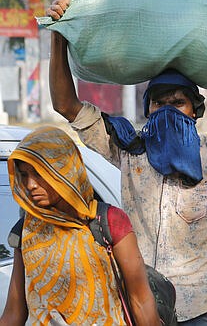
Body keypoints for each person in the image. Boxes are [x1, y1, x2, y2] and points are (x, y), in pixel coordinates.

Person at [46, 0, 207, 326]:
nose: (168, 110)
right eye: (159, 103)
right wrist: (59, 33)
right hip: (137, 307)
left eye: (178, 103)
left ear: (195, 111)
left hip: (200, 310)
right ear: (148, 111)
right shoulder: (128, 148)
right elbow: (66, 105)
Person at [0, 126, 160, 326]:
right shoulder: (26, 231)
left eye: (39, 173)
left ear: (63, 170)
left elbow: (141, 299)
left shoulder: (107, 221)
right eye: (24, 175)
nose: (30, 184)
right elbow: (14, 312)